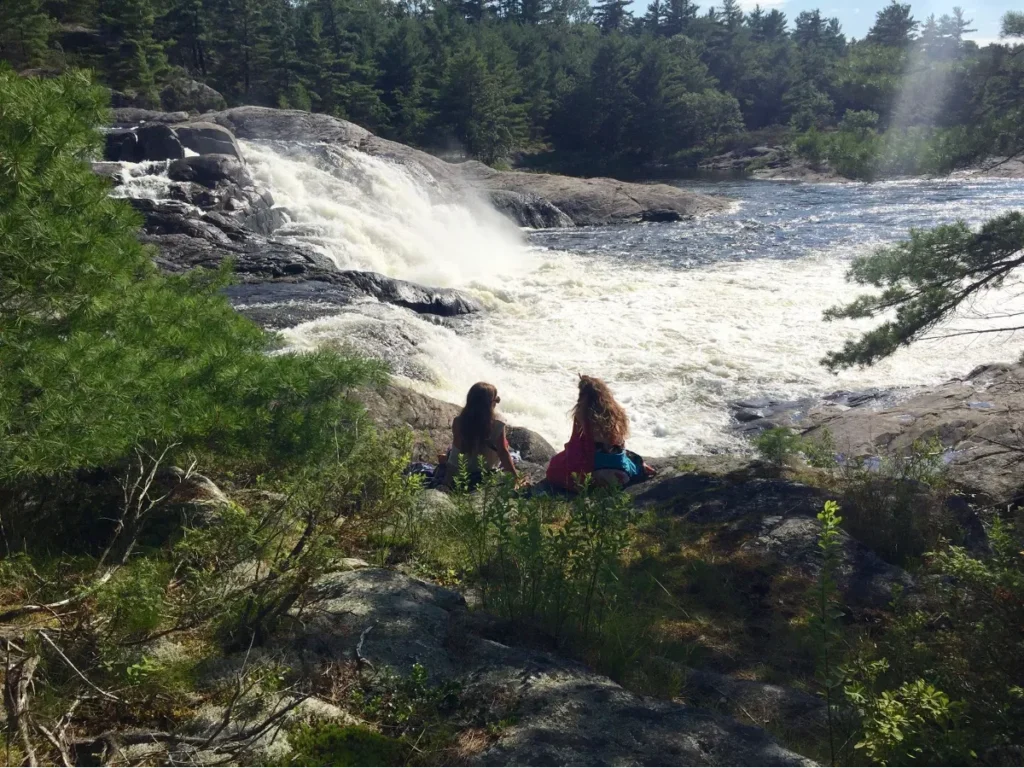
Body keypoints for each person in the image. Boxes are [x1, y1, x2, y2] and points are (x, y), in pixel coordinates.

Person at [546, 375, 656, 491]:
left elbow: (576, 444)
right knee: (626, 456)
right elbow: (620, 443)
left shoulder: (582, 412)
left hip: (597, 470)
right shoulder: (617, 412)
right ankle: (641, 467)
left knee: (554, 466)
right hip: (622, 472)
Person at [439, 382, 519, 490]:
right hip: (485, 470)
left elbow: (456, 452)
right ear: (491, 403)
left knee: (450, 450)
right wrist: (515, 479)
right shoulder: (498, 423)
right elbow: (503, 452)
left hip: (463, 470)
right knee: (514, 454)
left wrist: (448, 480)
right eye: (496, 400)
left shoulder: (459, 422)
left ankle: (444, 458)